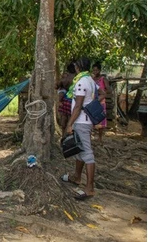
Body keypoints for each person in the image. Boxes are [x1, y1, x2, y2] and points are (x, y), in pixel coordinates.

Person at [60, 57, 97, 200]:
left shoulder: (81, 82)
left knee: (87, 154)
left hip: (81, 121)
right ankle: (76, 177)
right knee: (79, 150)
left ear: (78, 67)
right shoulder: (90, 81)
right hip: (85, 121)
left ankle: (90, 189)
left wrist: (70, 124)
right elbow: (99, 95)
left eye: (75, 65)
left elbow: (78, 105)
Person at [92, 62, 110, 145]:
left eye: (96, 70)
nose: (95, 71)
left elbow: (109, 90)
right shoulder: (91, 79)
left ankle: (100, 137)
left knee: (101, 119)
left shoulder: (103, 79)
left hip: (101, 101)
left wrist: (103, 92)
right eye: (94, 70)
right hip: (93, 100)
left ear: (99, 70)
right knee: (92, 117)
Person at [56, 62, 76, 135]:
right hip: (73, 101)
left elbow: (56, 86)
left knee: (64, 119)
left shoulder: (65, 78)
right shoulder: (77, 78)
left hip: (64, 101)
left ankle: (63, 137)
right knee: (71, 120)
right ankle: (68, 136)